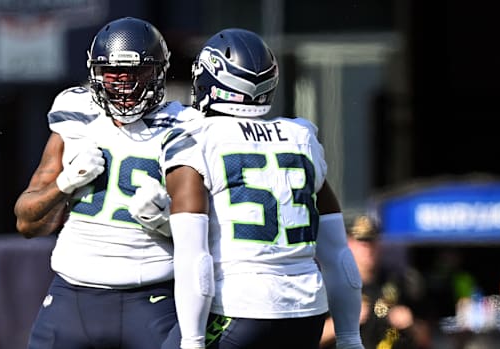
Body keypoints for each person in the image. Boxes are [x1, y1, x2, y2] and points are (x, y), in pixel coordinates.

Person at [143, 28, 364, 349]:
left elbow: (195, 258)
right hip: (306, 315)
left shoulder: (196, 137)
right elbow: (337, 252)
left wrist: (191, 340)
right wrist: (349, 338)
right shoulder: (300, 137)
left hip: (240, 308)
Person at [13, 17, 201, 349]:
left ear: (158, 72)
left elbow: (207, 233)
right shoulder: (74, 113)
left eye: (136, 73)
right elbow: (27, 222)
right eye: (114, 74)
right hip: (71, 296)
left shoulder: (184, 126)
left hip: (150, 297)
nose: (125, 85)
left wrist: (163, 220)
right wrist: (65, 183)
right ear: (95, 73)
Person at [320, 215, 431, 349]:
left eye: (372, 243)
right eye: (362, 244)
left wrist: (410, 325)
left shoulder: (398, 281)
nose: (368, 250)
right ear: (349, 244)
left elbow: (426, 337)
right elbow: (309, 339)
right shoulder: (330, 285)